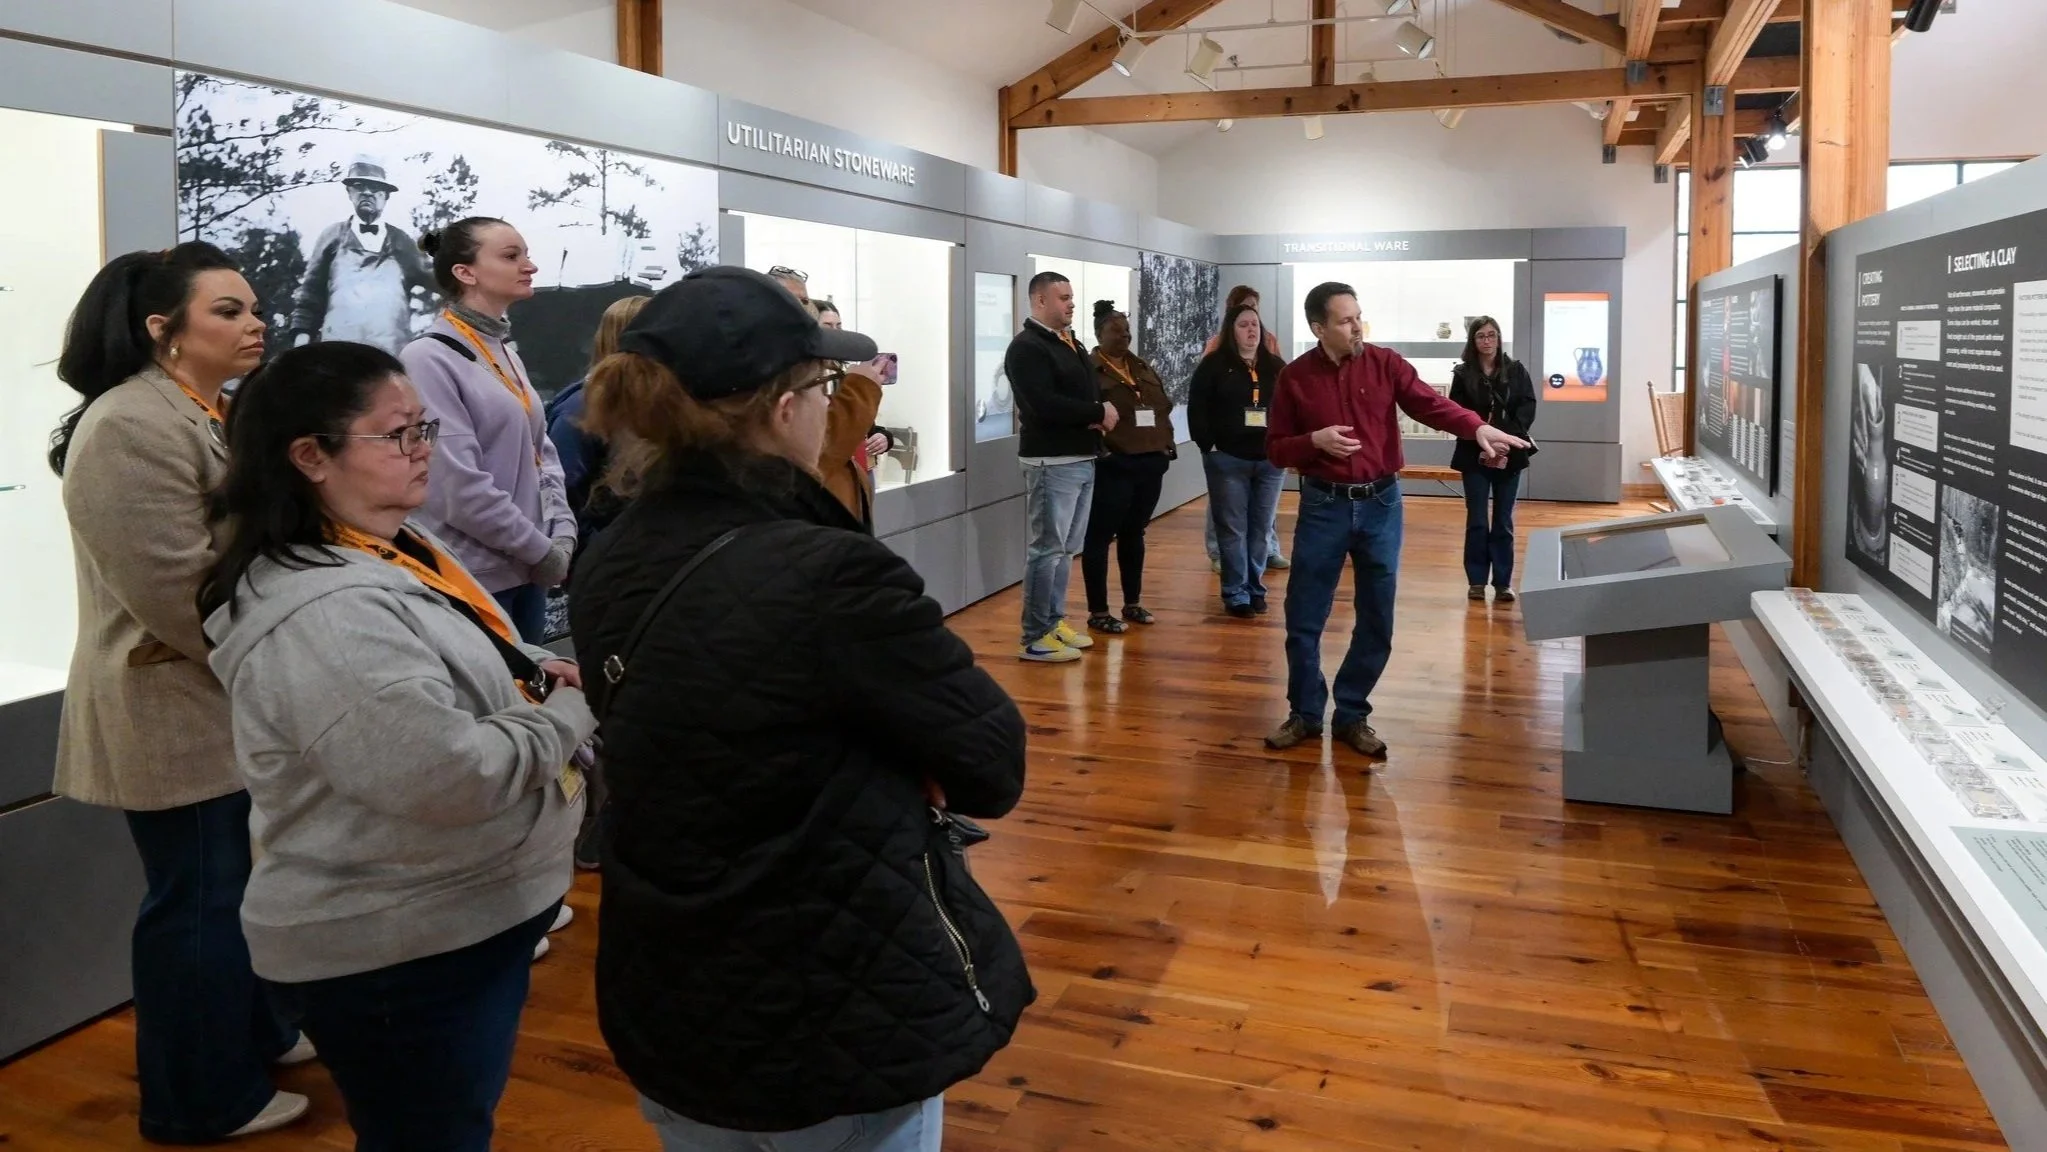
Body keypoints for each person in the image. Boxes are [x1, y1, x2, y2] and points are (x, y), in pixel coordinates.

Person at [567, 266, 1034, 1151]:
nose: (831, 402)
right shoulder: (829, 572)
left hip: (671, 983)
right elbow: (990, 763)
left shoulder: (612, 552)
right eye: (824, 383)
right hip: (831, 989)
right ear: (785, 410)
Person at [198, 341, 594, 1151]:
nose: (423, 451)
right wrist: (566, 715)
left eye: (425, 429)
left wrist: (526, 667)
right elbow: (444, 775)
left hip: (451, 917)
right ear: (310, 457)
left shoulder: (388, 544)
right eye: (398, 435)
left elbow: (456, 656)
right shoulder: (326, 611)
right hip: (398, 945)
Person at [47, 242, 308, 1142]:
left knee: (239, 893)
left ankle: (263, 1034)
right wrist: (286, 666)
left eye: (254, 307)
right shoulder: (128, 423)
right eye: (227, 311)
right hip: (173, 707)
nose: (254, 323)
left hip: (222, 699)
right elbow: (175, 593)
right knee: (198, 904)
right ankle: (197, 1098)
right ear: (164, 330)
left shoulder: (209, 411)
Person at [1264, 282, 1528, 758]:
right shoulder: (1295, 377)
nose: (1356, 326)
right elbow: (1277, 448)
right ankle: (1305, 713)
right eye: (1345, 320)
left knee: (1377, 616)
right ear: (1319, 328)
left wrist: (1478, 427)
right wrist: (1313, 442)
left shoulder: (1386, 364)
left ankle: (1352, 713)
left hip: (1382, 505)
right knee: (1304, 615)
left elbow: (1431, 404)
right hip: (1323, 506)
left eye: (1358, 316)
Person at [400, 216, 575, 643]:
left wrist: (562, 531)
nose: (530, 266)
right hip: (475, 576)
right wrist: (540, 548)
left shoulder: (504, 352)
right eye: (512, 256)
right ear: (466, 272)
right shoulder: (427, 358)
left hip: (528, 566)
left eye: (526, 254)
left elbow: (542, 453)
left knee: (535, 681)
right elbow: (457, 485)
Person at [1005, 270, 1118, 663]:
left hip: (1080, 455)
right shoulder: (1026, 347)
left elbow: (1080, 393)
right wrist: (1095, 412)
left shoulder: (1069, 341)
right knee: (1047, 549)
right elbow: (1042, 404)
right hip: (1051, 461)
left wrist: (1094, 414)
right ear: (1040, 300)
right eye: (1063, 297)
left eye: (1071, 296)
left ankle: (1053, 622)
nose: (1071, 303)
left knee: (1066, 549)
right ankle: (1034, 636)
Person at [1080, 300, 1175, 634]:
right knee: (1099, 536)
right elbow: (1086, 417)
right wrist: (1106, 454)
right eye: (1116, 331)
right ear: (1099, 334)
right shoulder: (1089, 371)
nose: (1125, 336)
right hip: (1115, 466)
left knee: (1134, 532)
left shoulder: (1140, 366)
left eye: (1127, 330)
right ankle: (1098, 611)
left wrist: (1165, 446)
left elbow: (1161, 407)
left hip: (1150, 463)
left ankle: (1132, 603)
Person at [1189, 302, 1288, 619]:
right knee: (1232, 530)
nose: (1251, 330)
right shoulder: (1214, 365)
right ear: (1231, 331)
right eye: (1244, 325)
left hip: (1269, 462)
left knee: (1261, 530)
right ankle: (1236, 593)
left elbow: (1292, 407)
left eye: (1255, 324)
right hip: (1227, 460)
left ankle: (1255, 588)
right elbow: (1197, 407)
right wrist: (1208, 446)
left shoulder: (1275, 366)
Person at [290, 156, 436, 353]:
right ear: (349, 192)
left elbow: (439, 281)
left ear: (386, 196)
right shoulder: (332, 235)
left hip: (391, 352)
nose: (367, 192)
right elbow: (310, 293)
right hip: (338, 351)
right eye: (359, 186)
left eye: (375, 188)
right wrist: (300, 345)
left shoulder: (402, 241)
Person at [545, 293, 650, 543]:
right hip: (604, 556)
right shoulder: (579, 410)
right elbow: (560, 497)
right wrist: (600, 550)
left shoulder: (655, 404)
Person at [1448, 315, 1537, 603]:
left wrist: (1504, 440)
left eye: (1491, 335)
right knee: (1476, 518)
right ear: (1472, 341)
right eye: (1481, 336)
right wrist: (1482, 438)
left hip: (1509, 453)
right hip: (1473, 453)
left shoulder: (1515, 370)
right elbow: (1456, 413)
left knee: (1503, 519)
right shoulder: (1463, 373)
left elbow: (1527, 407)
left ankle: (1502, 582)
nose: (1487, 341)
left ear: (1498, 338)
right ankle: (1476, 580)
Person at [811, 297, 893, 526]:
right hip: (830, 482)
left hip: (858, 471)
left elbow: (864, 426)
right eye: (828, 326)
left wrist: (883, 437)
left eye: (839, 326)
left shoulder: (843, 374)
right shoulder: (806, 379)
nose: (836, 333)